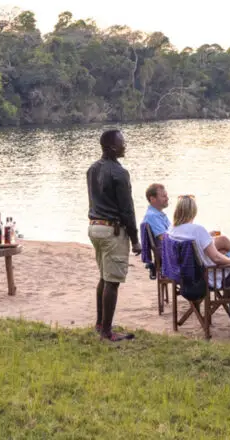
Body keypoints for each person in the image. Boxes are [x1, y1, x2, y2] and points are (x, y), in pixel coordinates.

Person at [167, 195, 230, 329]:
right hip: (207, 276)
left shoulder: (172, 230)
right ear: (193, 211)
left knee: (225, 248)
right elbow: (217, 259)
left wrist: (209, 239)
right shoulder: (197, 230)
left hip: (184, 276)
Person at [87, 129, 142, 342]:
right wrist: (135, 240)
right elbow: (127, 209)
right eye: (121, 143)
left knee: (104, 276)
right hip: (112, 230)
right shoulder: (119, 173)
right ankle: (107, 332)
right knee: (112, 281)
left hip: (94, 227)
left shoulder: (92, 169)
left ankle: (101, 323)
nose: (124, 145)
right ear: (111, 147)